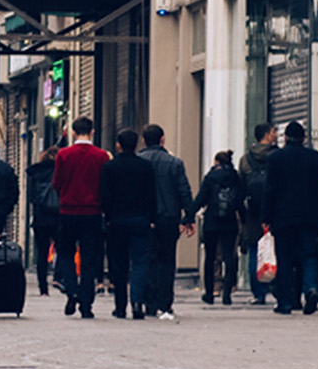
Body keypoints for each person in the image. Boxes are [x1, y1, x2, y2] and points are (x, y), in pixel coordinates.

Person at [263, 119, 318, 315]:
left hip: (283, 218)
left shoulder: (275, 159)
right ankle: (311, 289)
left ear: (285, 138)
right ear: (304, 139)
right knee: (309, 256)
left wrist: (266, 216)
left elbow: (269, 190)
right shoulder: (315, 158)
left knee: (284, 259)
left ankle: (285, 302)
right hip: (309, 217)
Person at [53, 115, 111, 319]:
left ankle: (72, 290)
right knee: (89, 258)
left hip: (68, 211)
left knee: (66, 253)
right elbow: (105, 185)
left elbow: (57, 183)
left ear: (73, 132)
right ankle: (86, 305)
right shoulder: (101, 156)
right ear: (92, 132)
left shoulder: (63, 155)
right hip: (92, 213)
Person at [139, 124, 195, 320]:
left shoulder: (138, 161)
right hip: (169, 217)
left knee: (147, 259)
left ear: (144, 141)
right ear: (162, 139)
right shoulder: (174, 163)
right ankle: (165, 302)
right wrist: (189, 217)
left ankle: (149, 301)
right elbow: (184, 191)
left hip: (144, 218)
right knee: (167, 260)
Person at [99, 129, 157, 319]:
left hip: (117, 221)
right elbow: (151, 195)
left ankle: (120, 306)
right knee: (140, 262)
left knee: (119, 264)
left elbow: (105, 196)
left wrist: (108, 217)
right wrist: (151, 219)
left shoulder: (110, 167)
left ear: (118, 145)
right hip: (140, 220)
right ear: (137, 144)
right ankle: (137, 302)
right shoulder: (145, 167)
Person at [193, 150, 243, 304]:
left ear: (216, 162)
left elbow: (201, 198)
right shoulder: (235, 177)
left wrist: (188, 215)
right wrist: (244, 221)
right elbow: (240, 201)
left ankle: (209, 292)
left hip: (212, 222)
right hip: (230, 222)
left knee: (211, 257)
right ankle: (227, 293)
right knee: (229, 256)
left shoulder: (210, 177)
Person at [238, 122, 278, 302]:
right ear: (268, 135)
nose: (276, 135)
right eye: (274, 132)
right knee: (278, 248)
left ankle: (258, 293)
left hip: (253, 211)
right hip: (275, 208)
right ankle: (278, 288)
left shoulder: (246, 159)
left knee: (255, 249)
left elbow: (241, 187)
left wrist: (242, 214)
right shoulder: (277, 155)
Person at [26, 144, 60, 294]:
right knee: (63, 249)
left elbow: (32, 197)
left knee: (42, 253)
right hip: (59, 216)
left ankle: (43, 288)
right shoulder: (60, 170)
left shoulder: (37, 172)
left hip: (41, 217)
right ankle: (58, 278)